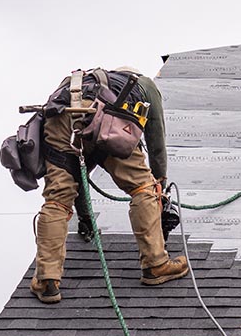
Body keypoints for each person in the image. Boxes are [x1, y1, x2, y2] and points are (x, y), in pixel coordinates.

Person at [30, 67, 188, 303]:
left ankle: (47, 281)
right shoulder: (144, 84)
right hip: (108, 118)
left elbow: (79, 175)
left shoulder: (74, 82)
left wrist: (86, 219)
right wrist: (159, 181)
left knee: (57, 200)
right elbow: (156, 142)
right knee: (142, 187)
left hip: (61, 118)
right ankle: (156, 264)